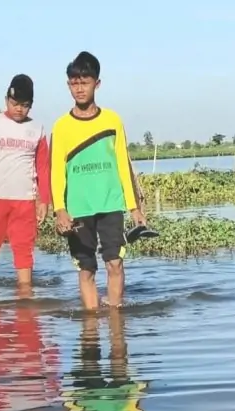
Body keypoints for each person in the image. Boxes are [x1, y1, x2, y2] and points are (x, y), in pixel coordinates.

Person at [50, 51, 146, 310]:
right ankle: (91, 325)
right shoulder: (61, 127)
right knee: (86, 268)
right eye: (74, 82)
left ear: (97, 83)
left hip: (110, 203)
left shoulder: (112, 120)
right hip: (78, 208)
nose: (79, 88)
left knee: (115, 263)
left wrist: (134, 207)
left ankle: (116, 322)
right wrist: (59, 209)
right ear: (68, 84)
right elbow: (56, 172)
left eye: (85, 82)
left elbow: (123, 165)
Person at [0, 74, 50, 286]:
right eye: (14, 103)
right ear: (6, 99)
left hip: (24, 200)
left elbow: (43, 167)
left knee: (24, 249)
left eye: (24, 105)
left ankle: (25, 295)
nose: (18, 109)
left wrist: (44, 200)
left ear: (31, 105)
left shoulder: (38, 130)